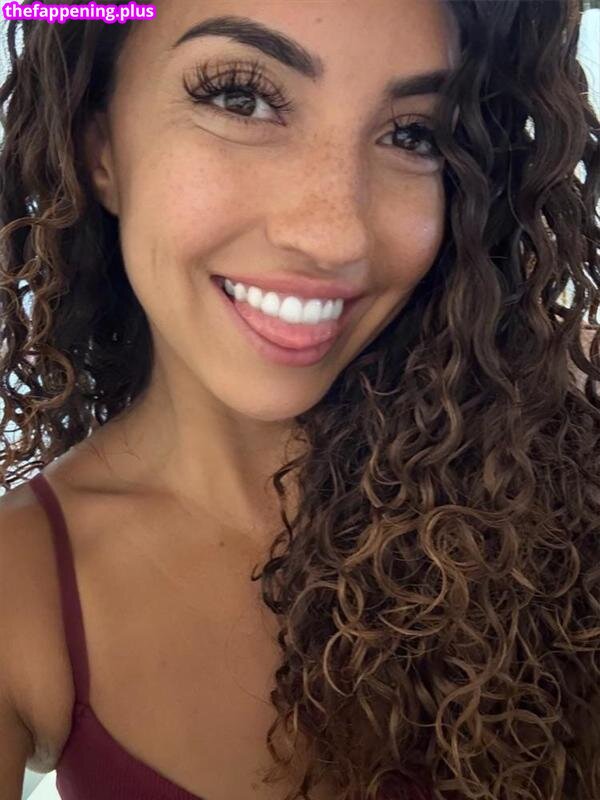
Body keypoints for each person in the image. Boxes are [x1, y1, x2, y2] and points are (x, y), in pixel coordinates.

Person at [0, 1, 598, 798]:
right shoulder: (20, 589)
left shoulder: (567, 441)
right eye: (240, 97)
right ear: (98, 146)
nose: (334, 235)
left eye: (414, 134)